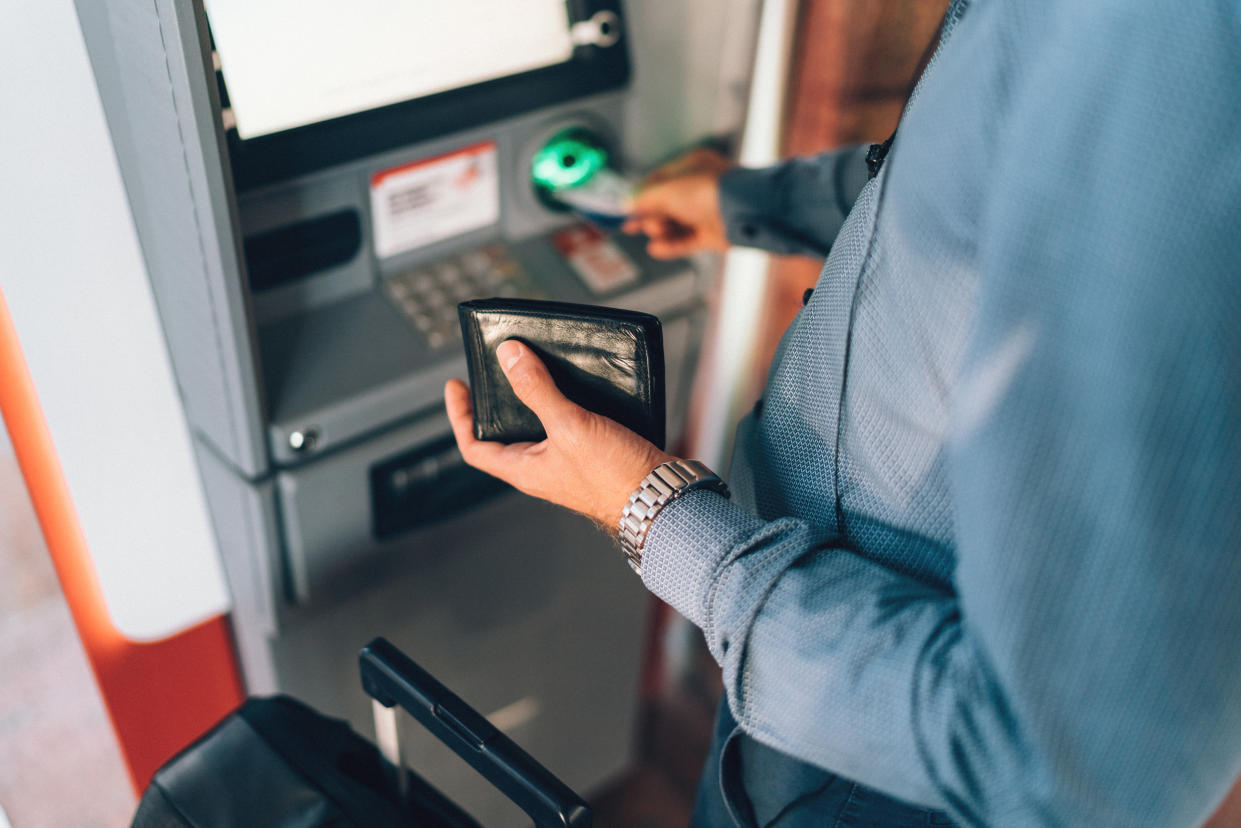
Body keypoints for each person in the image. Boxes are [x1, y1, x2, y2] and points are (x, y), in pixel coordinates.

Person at [445, 0, 1241, 824]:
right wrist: (757, 200)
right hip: (798, 653)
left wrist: (650, 511)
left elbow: (1070, 780)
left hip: (887, 757)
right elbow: (988, 182)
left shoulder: (1165, 30)